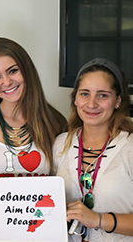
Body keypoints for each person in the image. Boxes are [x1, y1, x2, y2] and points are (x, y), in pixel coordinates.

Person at [0, 37, 68, 227]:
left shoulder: (55, 122)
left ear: (26, 70)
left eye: (13, 71)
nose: (7, 82)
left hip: (40, 229)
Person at [53, 58, 133, 241]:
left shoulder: (130, 148)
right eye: (84, 94)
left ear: (118, 100)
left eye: (103, 95)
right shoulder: (60, 144)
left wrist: (97, 219)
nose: (91, 104)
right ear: (75, 99)